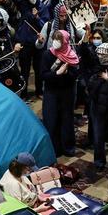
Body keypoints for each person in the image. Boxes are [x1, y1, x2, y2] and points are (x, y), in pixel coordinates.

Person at [40, 29, 80, 157]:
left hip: (67, 92)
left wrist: (67, 73)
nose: (56, 42)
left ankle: (67, 147)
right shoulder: (48, 54)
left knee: (67, 120)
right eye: (55, 39)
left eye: (59, 40)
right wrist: (57, 73)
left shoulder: (71, 55)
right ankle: (54, 149)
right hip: (51, 92)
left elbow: (75, 74)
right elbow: (43, 74)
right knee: (51, 120)